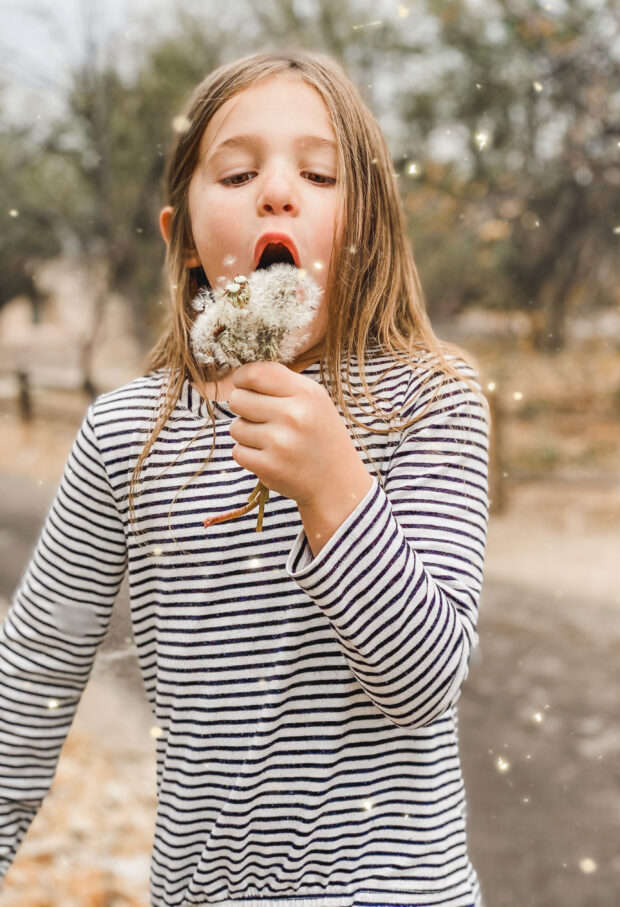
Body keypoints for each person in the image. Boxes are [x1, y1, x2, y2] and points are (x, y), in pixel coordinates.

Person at [0, 49, 491, 907]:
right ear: (183, 237)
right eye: (235, 172)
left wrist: (335, 491)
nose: (276, 190)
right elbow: (35, 672)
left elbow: (425, 681)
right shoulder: (125, 434)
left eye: (318, 172)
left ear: (368, 222)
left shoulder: (433, 402)